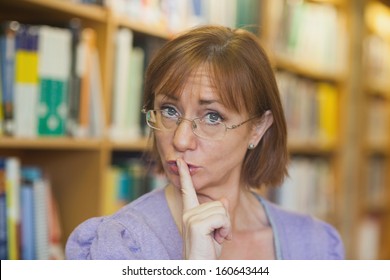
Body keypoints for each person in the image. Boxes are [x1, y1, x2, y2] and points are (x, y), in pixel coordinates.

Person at [65, 25, 344, 260]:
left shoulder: (315, 245)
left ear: (258, 128)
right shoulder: (118, 246)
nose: (181, 139)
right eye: (169, 111)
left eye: (212, 116)